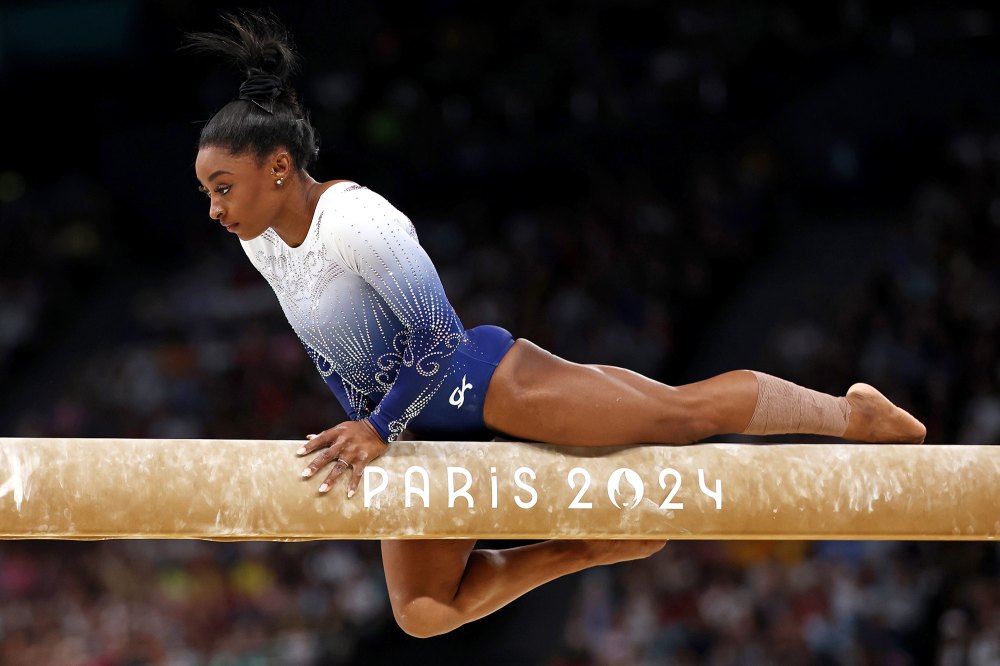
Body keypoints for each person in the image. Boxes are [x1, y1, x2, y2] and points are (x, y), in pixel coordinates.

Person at [183, 9, 926, 638]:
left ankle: (850, 414)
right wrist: (375, 425)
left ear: (279, 168)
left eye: (223, 187)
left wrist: (377, 426)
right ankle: (586, 548)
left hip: (484, 389)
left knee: (678, 414)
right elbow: (342, 352)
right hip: (411, 433)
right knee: (421, 610)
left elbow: (438, 337)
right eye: (206, 192)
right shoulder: (259, 242)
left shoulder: (357, 220)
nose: (214, 209)